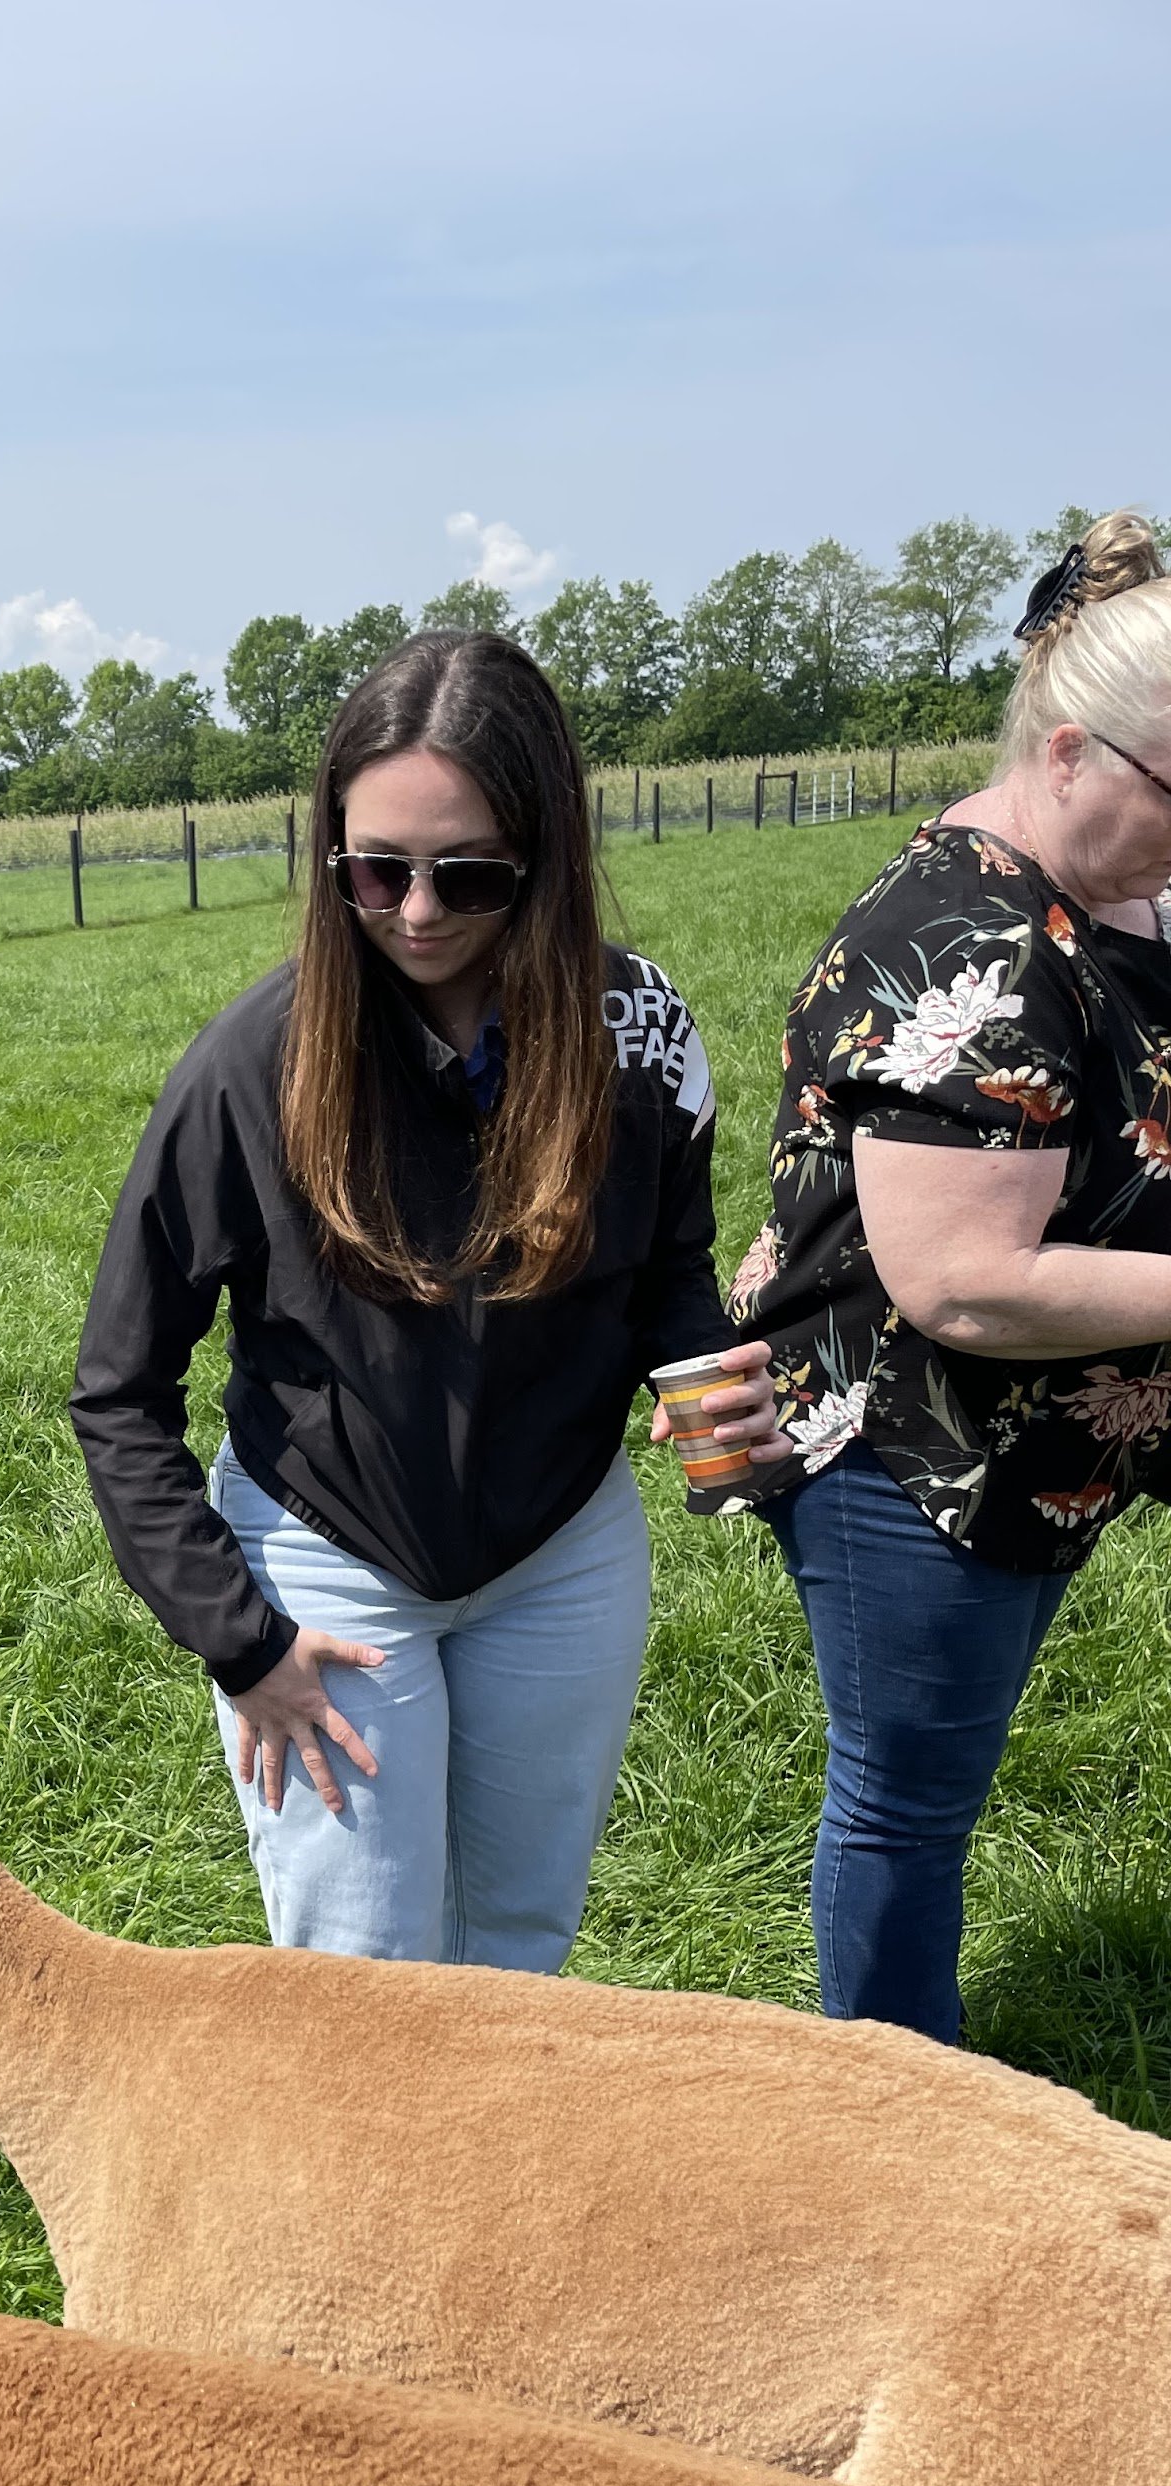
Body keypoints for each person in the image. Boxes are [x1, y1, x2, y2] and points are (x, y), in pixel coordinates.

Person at [71, 629, 783, 1968]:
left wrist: (722, 1407)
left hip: (560, 1558)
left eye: (468, 875)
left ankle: (498, 2192)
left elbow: (668, 1276)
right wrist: (241, 1642)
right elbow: (116, 1394)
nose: (413, 911)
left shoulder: (642, 1030)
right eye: (374, 869)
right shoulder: (251, 1068)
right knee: (362, 1973)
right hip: (329, 1569)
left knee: (522, 1944)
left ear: (548, 858)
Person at [727, 511, 1171, 2044]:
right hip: (917, 1455)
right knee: (908, 1804)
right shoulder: (965, 939)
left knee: (937, 1778)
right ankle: (897, 2115)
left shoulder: (1120, 886)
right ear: (1066, 751)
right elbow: (967, 1285)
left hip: (1043, 1435)